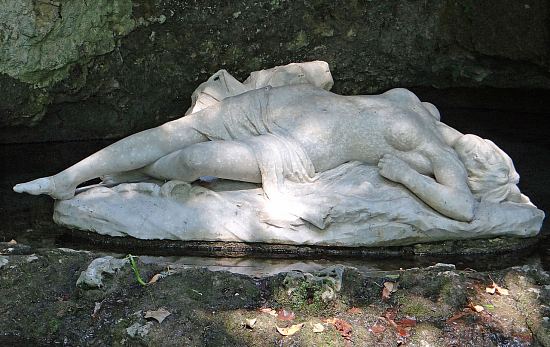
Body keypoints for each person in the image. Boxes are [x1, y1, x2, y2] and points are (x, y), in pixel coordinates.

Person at [13, 63, 527, 223]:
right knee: (171, 133)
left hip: (290, 148)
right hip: (280, 106)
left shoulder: (433, 158)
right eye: (491, 150)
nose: (484, 147)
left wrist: (407, 177)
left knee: (192, 157)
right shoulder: (426, 116)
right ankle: (69, 177)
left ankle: (129, 177)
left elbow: (461, 209)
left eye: (486, 161)